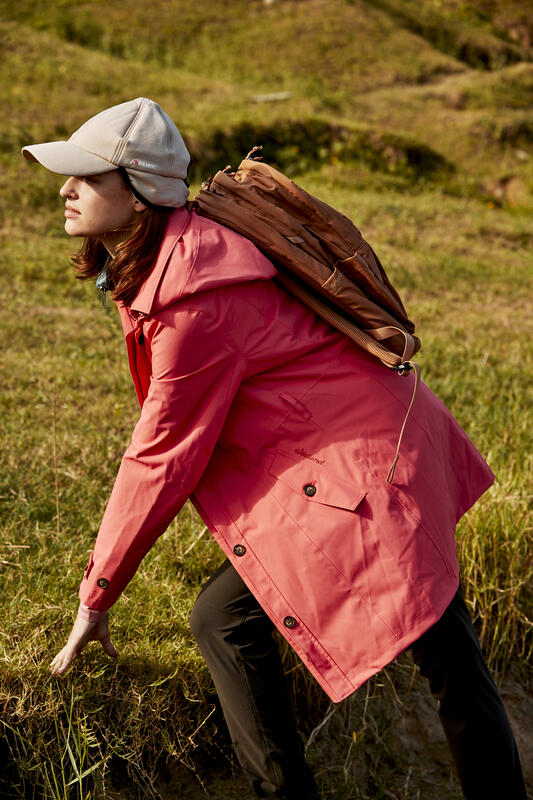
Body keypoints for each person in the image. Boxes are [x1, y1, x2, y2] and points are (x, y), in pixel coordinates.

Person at [22, 98, 526, 800]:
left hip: (372, 468)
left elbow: (162, 457)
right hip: (373, 448)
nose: (64, 189)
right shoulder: (178, 261)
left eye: (86, 178)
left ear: (139, 195)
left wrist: (97, 594)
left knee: (245, 623)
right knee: (446, 654)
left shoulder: (195, 300)